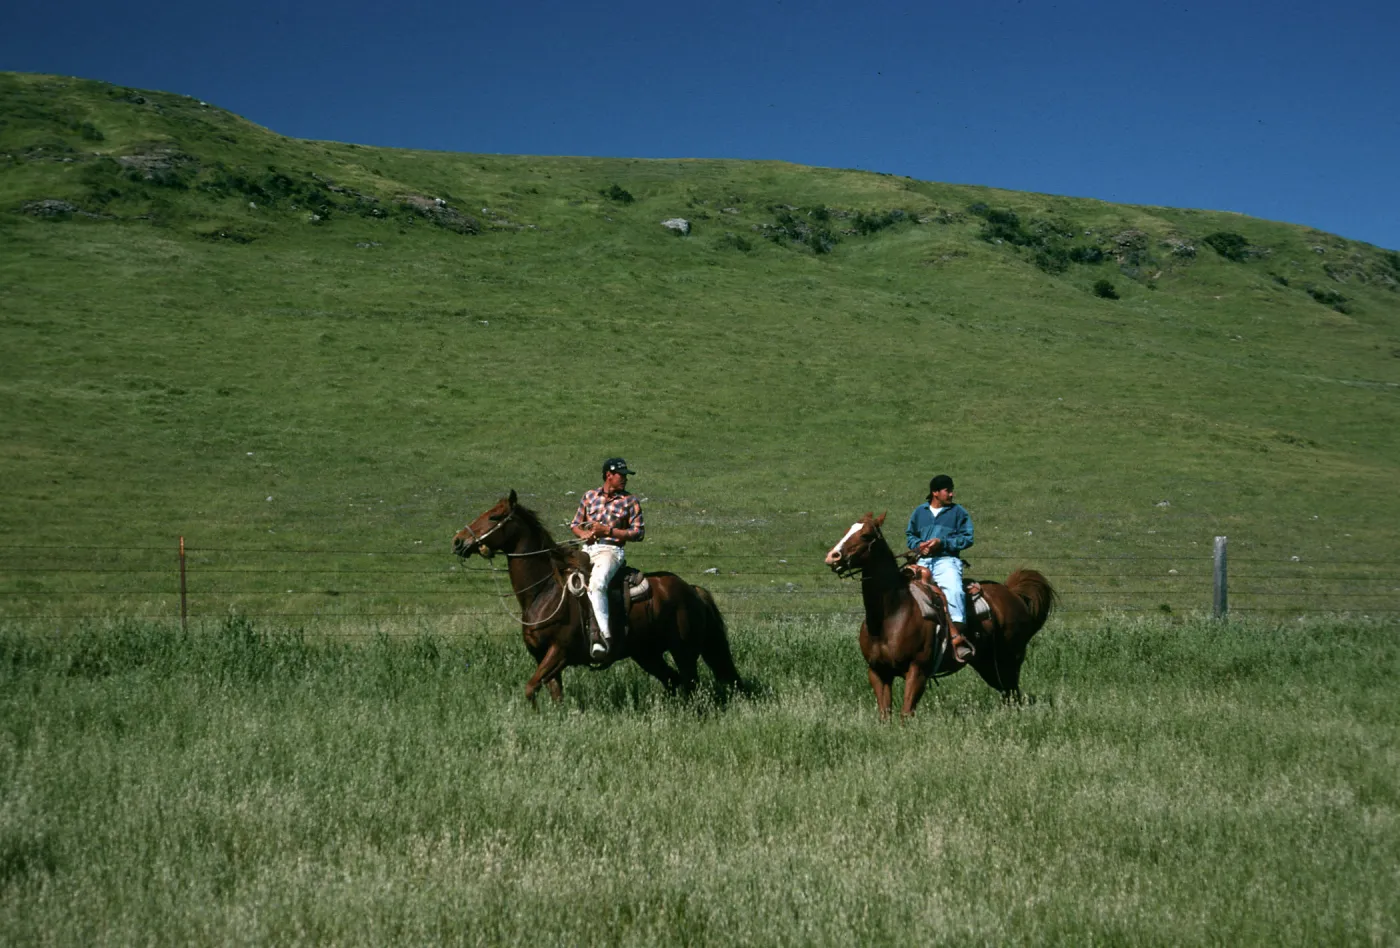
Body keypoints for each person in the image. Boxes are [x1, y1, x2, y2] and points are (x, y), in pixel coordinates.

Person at [570, 457, 645, 660]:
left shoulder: (630, 501)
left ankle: (604, 636)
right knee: (565, 580)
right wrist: (583, 534)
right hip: (588, 549)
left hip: (611, 551)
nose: (625, 479)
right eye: (621, 475)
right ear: (608, 475)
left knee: (597, 583)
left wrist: (608, 530)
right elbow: (576, 524)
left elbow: (638, 533)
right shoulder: (589, 496)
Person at [905, 474, 976, 662]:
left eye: (952, 490)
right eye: (948, 490)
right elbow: (910, 535)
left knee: (953, 589)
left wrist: (941, 543)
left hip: (946, 560)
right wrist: (919, 545)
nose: (952, 494)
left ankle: (957, 635)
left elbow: (967, 538)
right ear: (935, 492)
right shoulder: (919, 512)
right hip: (922, 560)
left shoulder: (958, 512)